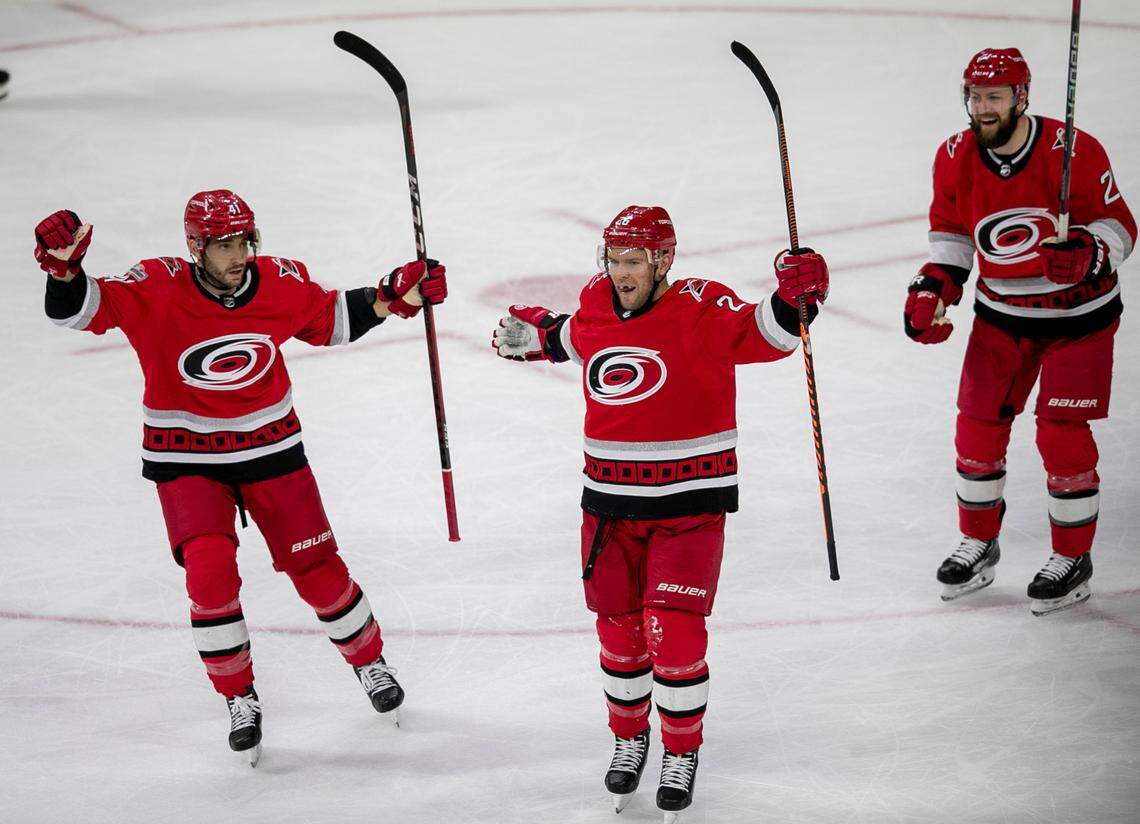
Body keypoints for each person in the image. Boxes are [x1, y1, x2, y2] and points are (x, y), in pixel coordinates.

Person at [36, 191, 447, 764]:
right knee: (209, 575)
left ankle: (370, 663)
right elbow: (78, 311)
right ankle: (238, 696)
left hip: (270, 446)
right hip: (186, 457)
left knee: (318, 571)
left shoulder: (278, 282)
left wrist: (392, 296)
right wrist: (64, 271)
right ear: (195, 247)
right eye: (224, 245)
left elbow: (329, 320)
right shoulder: (155, 286)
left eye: (244, 243)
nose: (238, 257)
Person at [492, 205, 828, 821]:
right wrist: (538, 336)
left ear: (663, 260)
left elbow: (770, 333)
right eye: (614, 260)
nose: (621, 273)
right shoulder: (597, 301)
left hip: (690, 506)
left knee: (673, 634)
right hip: (609, 508)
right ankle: (629, 737)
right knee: (618, 636)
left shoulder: (703, 305)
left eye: (633, 261)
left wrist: (797, 297)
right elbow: (574, 336)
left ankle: (680, 751)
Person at [904, 48, 1135, 615]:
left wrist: (1090, 252)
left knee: (1061, 434)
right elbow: (953, 235)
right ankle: (979, 543)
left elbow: (1121, 225)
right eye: (975, 97)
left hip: (1079, 319)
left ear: (1022, 97)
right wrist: (933, 289)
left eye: (995, 97)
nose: (982, 108)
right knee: (976, 434)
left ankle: (1072, 558)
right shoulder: (954, 155)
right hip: (1001, 319)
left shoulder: (1070, 150)